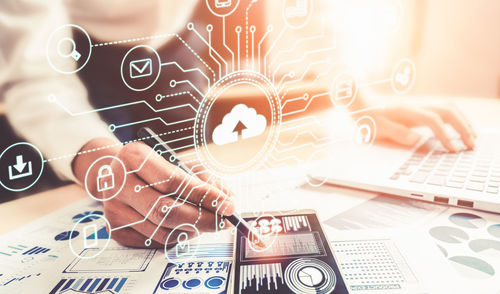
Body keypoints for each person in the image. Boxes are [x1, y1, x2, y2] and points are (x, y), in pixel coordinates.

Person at [0, 0, 476, 248]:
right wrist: (92, 156)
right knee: (96, 207)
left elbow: (303, 14)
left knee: (184, 187)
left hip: (175, 44)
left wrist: (357, 94)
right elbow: (32, 75)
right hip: (72, 54)